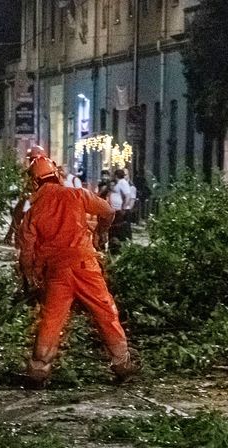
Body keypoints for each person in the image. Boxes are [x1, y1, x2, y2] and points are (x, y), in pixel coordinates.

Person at [18, 152, 138, 387]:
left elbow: (27, 252)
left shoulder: (32, 208)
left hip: (56, 273)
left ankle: (39, 369)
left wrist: (31, 279)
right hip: (85, 266)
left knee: (51, 320)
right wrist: (101, 232)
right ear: (57, 174)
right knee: (106, 313)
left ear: (34, 181)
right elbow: (108, 211)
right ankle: (122, 364)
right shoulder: (76, 194)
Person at [107, 168, 136, 254]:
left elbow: (127, 196)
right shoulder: (119, 183)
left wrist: (123, 208)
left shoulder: (123, 183)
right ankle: (115, 247)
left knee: (121, 229)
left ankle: (122, 248)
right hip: (116, 210)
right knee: (115, 229)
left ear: (116, 176)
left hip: (120, 210)